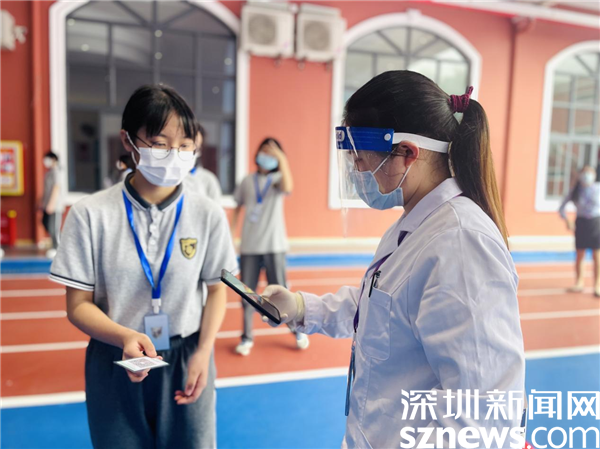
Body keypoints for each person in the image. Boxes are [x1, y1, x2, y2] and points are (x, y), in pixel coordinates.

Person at [260, 71, 526, 448]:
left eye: (360, 159)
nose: (357, 172)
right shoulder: (414, 225)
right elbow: (382, 309)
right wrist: (303, 307)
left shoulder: (460, 243)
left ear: (406, 154)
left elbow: (480, 417)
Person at [49, 84, 238, 449]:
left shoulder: (208, 214)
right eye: (160, 143)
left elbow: (216, 291)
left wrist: (203, 352)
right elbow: (77, 305)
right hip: (115, 359)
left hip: (187, 355)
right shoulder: (90, 215)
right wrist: (123, 337)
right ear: (128, 140)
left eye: (185, 145)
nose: (174, 155)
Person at [232, 138, 309, 356]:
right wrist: (231, 234)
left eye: (272, 153)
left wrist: (281, 158)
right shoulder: (247, 181)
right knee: (247, 293)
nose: (267, 156)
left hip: (274, 245)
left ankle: (296, 330)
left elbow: (288, 186)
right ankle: (246, 337)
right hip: (250, 246)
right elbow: (237, 207)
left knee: (282, 293)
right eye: (264, 151)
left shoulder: (278, 180)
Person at [559, 165, 600, 297]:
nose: (587, 175)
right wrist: (567, 220)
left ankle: (597, 285)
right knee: (580, 254)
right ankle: (579, 282)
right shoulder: (575, 190)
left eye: (590, 172)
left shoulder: (598, 189)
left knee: (597, 255)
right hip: (581, 223)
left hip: (596, 223)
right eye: (585, 172)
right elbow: (561, 208)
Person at [185, 123, 222, 203]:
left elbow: (215, 209)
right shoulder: (167, 176)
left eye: (196, 146)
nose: (191, 148)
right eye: (186, 144)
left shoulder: (208, 179)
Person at [41, 151, 63, 258]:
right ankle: (55, 246)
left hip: (55, 206)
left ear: (53, 159)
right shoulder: (49, 172)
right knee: (46, 223)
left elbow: (56, 188)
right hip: (47, 204)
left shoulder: (56, 172)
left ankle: (57, 248)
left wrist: (51, 204)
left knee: (54, 228)